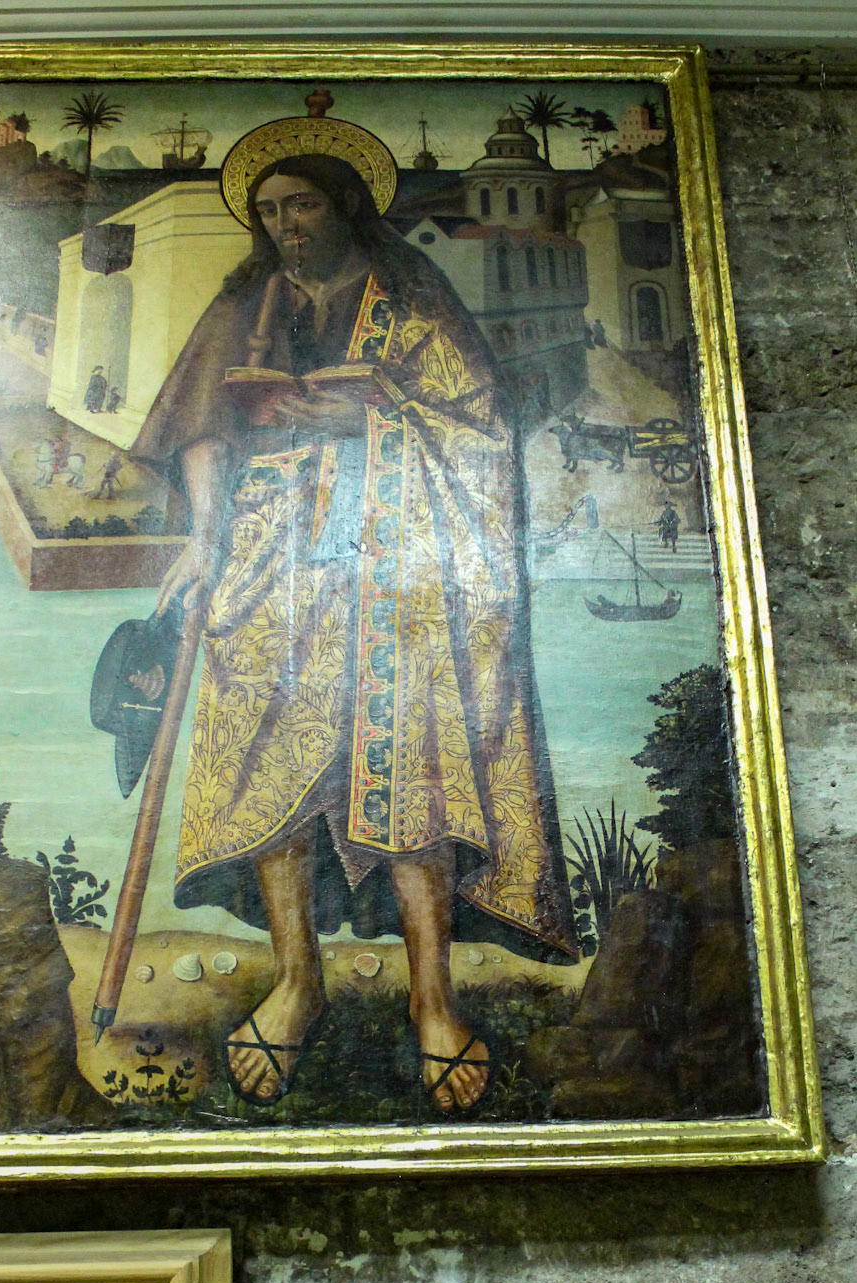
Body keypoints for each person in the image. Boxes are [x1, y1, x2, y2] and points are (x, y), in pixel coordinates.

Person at [132, 102, 577, 1111]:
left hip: (395, 552)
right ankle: (297, 981)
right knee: (268, 764)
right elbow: (202, 424)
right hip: (269, 551)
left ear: (342, 206)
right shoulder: (244, 303)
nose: (285, 223)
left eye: (301, 204)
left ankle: (432, 998)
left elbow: (478, 424)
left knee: (412, 757)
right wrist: (202, 536)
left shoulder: (412, 300)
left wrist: (367, 414)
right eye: (269, 210)